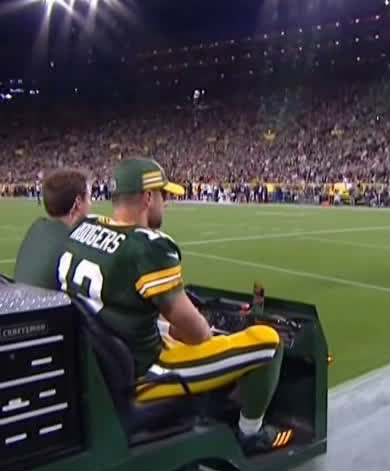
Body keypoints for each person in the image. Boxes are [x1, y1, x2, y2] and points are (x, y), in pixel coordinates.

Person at [57, 157, 293, 454]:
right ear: (147, 197)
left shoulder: (84, 228)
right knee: (269, 341)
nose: (166, 203)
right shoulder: (149, 247)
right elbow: (198, 335)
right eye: (163, 195)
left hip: (102, 358)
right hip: (144, 371)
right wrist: (195, 328)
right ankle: (250, 434)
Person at [13, 168, 92, 289]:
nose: (90, 204)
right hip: (47, 306)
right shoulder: (74, 243)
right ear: (78, 203)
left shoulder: (37, 228)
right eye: (89, 197)